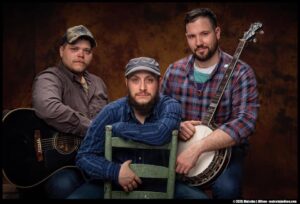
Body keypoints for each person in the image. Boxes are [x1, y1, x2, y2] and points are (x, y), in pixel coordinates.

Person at [67, 57, 208, 199]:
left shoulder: (170, 106)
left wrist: (118, 128)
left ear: (159, 83)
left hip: (161, 184)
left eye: (149, 80)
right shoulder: (111, 112)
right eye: (135, 80)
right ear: (126, 83)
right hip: (115, 183)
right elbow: (84, 156)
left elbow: (160, 134)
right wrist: (115, 172)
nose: (142, 87)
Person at [160, 8, 259, 199]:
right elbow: (160, 112)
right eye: (192, 36)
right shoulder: (174, 71)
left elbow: (245, 121)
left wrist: (198, 148)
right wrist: (176, 125)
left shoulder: (241, 73)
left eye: (204, 34)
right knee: (161, 184)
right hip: (180, 149)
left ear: (217, 33)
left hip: (226, 155)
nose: (198, 42)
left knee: (227, 190)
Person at [29, 25, 108, 199]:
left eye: (87, 51)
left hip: (94, 159)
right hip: (57, 164)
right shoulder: (49, 78)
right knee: (63, 186)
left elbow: (107, 119)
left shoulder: (98, 83)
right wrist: (93, 128)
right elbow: (47, 107)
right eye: (74, 49)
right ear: (61, 50)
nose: (81, 54)